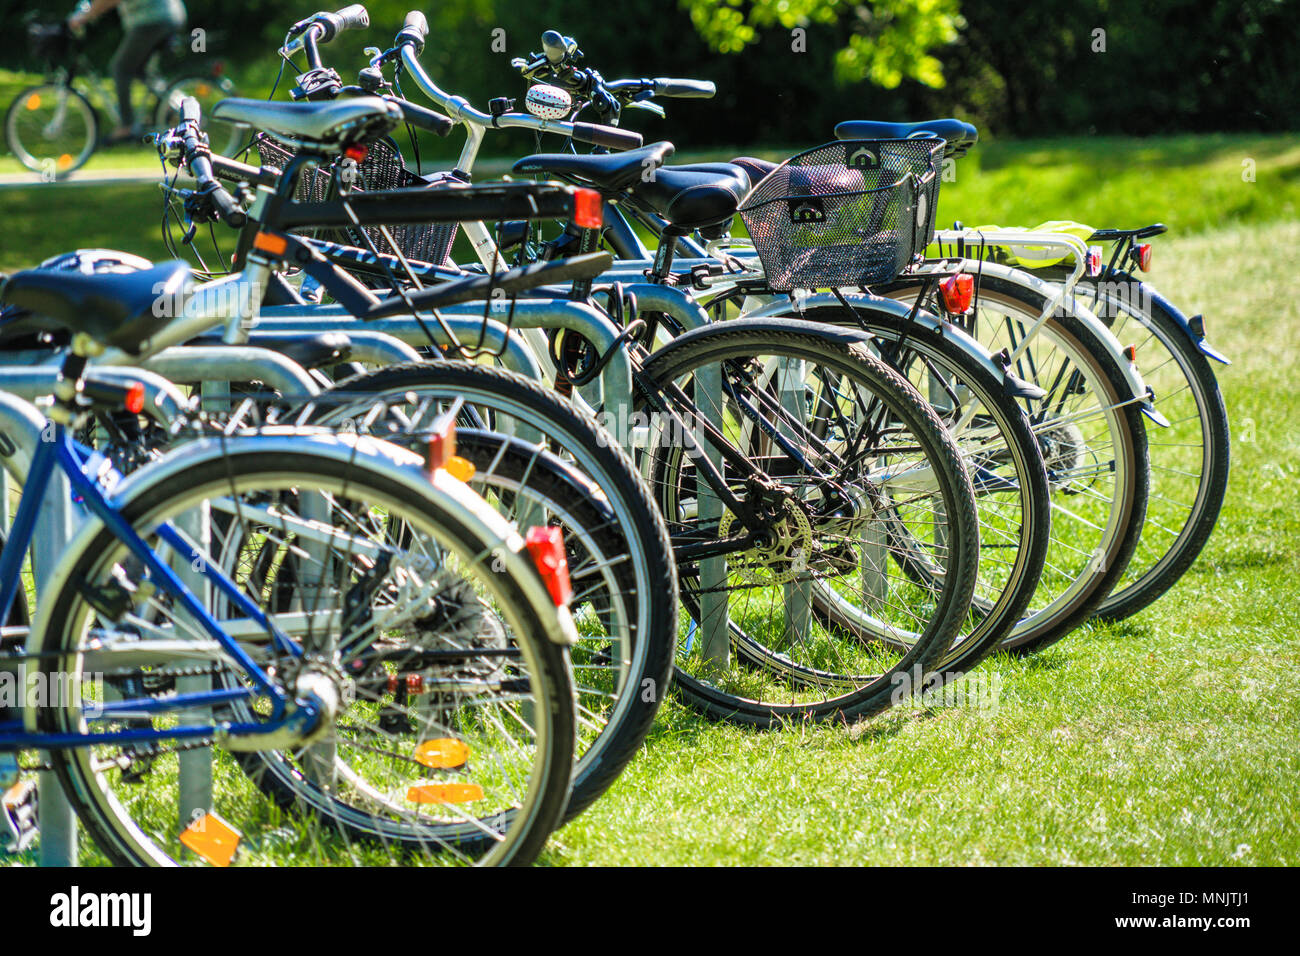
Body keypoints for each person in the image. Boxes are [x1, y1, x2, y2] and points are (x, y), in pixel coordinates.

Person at [67, 0, 188, 144]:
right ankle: (171, 107)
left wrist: (85, 16)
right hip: (166, 15)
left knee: (120, 68)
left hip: (153, 19)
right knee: (138, 70)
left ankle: (126, 127)